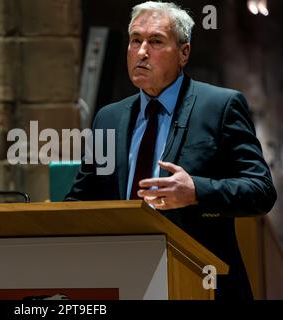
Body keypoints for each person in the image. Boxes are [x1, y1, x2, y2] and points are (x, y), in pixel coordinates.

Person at [65, 1, 276, 300]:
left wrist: (196, 192)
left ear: (184, 53)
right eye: (135, 40)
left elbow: (261, 191)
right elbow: (81, 199)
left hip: (201, 282)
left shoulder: (220, 107)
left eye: (155, 42)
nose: (141, 52)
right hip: (123, 279)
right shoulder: (108, 118)